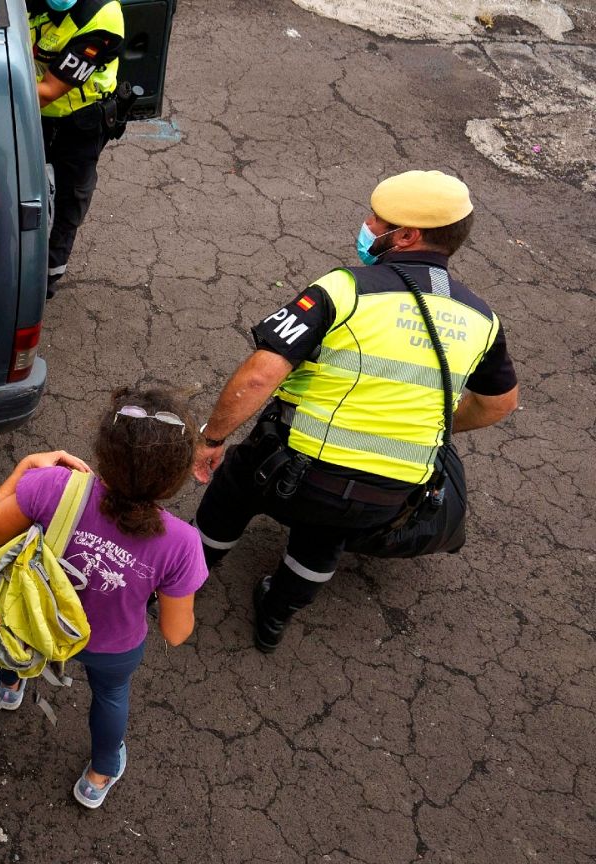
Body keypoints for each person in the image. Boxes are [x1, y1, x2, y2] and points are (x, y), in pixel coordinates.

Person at [190, 170, 519, 653]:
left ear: (406, 235)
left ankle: (187, 580)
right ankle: (274, 615)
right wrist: (434, 423)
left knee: (231, 493)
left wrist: (212, 438)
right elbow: (500, 402)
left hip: (292, 470)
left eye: (376, 219)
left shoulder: (347, 288)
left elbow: (260, 376)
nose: (366, 225)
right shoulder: (482, 319)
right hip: (387, 495)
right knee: (326, 537)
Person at [0, 387, 206, 809]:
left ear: (103, 451)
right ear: (178, 475)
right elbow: (176, 631)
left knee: (23, 638)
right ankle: (99, 775)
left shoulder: (54, 485)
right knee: (111, 697)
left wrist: (25, 465)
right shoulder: (183, 543)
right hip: (110, 643)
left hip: (38, 614)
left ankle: (10, 685)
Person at [27, 0, 126, 295]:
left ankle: (45, 280)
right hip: (35, 116)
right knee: (25, 189)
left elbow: (47, 92)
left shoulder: (101, 18)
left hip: (80, 124)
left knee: (69, 198)